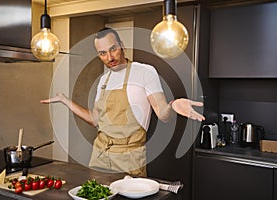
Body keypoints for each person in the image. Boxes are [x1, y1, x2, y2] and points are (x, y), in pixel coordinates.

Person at [40, 27, 205, 177]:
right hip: (99, 156)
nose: (109, 57)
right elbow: (95, 120)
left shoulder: (144, 72)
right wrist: (64, 100)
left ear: (121, 45)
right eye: (103, 53)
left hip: (130, 159)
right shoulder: (104, 79)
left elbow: (162, 114)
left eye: (113, 49)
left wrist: (172, 105)